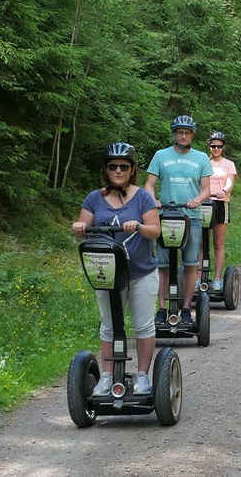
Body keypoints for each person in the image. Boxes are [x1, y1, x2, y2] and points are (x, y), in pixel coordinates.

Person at [72, 142, 161, 396]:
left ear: (132, 170)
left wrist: (140, 227)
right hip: (107, 274)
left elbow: (156, 230)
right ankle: (107, 376)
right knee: (109, 326)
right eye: (113, 166)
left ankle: (143, 376)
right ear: (106, 170)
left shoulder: (143, 197)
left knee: (143, 325)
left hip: (140, 271)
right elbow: (83, 227)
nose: (118, 171)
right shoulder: (94, 198)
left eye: (124, 166)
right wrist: (79, 227)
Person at [144, 115, 212, 325]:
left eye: (187, 132)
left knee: (191, 263)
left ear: (192, 135)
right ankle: (162, 308)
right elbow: (149, 183)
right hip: (165, 216)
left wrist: (197, 200)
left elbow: (207, 189)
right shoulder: (161, 155)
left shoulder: (201, 158)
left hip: (191, 216)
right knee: (163, 265)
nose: (183, 136)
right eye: (179, 132)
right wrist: (152, 199)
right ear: (174, 133)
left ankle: (185, 309)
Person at [205, 131, 238, 293]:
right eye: (213, 146)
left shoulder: (228, 164)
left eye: (219, 146)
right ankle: (198, 278)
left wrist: (224, 190)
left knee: (218, 243)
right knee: (201, 243)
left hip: (221, 204)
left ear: (223, 147)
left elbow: (231, 182)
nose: (216, 148)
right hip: (204, 204)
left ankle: (217, 279)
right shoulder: (203, 162)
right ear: (209, 146)